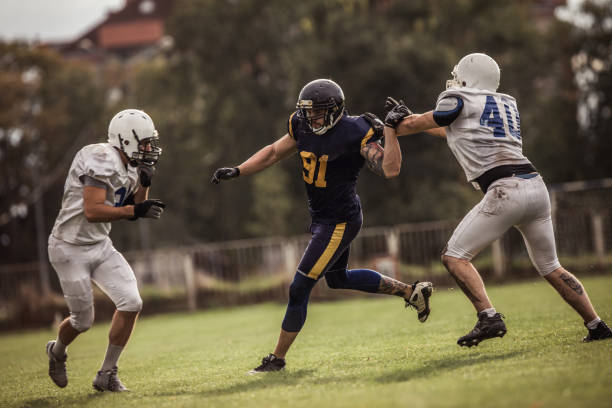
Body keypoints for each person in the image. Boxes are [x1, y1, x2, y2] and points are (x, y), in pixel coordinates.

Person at [383, 53, 612, 347]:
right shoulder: (505, 102)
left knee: (454, 257)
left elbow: (429, 120)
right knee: (552, 267)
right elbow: (452, 129)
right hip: (535, 187)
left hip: (505, 189)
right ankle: (597, 325)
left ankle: (488, 316)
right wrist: (408, 119)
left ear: (467, 77)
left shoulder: (457, 96)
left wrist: (397, 123)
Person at [211, 78, 433, 372]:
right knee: (337, 279)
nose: (310, 117)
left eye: (317, 111)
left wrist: (390, 132)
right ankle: (412, 292)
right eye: (307, 111)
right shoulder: (300, 125)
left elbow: (390, 169)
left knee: (299, 287)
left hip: (339, 220)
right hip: (322, 218)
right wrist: (239, 170)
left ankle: (276, 359)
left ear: (335, 110)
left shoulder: (356, 130)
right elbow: (274, 152)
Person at [46, 109, 166, 391]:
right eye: (145, 142)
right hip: (69, 247)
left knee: (132, 302)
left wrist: (145, 187)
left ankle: (107, 374)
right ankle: (57, 351)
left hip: (99, 245)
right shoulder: (101, 157)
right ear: (126, 140)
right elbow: (93, 210)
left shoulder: (133, 165)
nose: (149, 148)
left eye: (151, 142)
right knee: (83, 321)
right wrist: (135, 209)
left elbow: (134, 208)